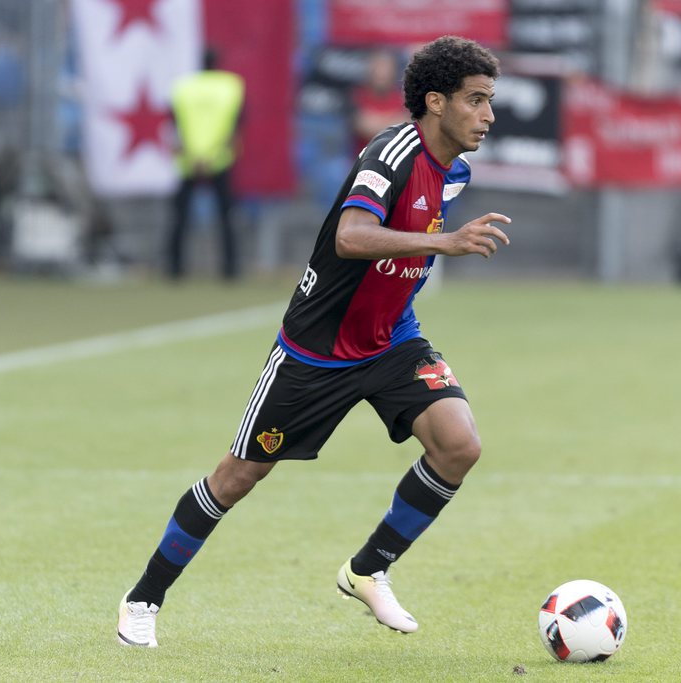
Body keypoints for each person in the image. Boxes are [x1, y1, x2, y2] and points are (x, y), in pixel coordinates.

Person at [117, 35, 509, 647]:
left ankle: (368, 570)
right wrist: (445, 242)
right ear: (435, 101)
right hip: (315, 351)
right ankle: (143, 599)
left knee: (459, 445)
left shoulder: (454, 171)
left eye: (491, 101)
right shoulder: (392, 152)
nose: (489, 115)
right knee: (238, 477)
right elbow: (352, 237)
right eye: (477, 100)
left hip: (390, 342)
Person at [167, 47, 245, 280]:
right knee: (226, 216)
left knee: (180, 218)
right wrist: (216, 152)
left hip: (188, 160)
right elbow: (237, 122)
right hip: (220, 158)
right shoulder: (230, 86)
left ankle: (174, 269)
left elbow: (173, 123)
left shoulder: (183, 87)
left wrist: (192, 154)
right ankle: (230, 270)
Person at [350, 48, 409, 153]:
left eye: (386, 68)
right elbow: (364, 127)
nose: (382, 73)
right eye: (378, 67)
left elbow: (408, 127)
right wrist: (394, 120)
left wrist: (378, 121)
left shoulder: (403, 97)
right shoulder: (357, 95)